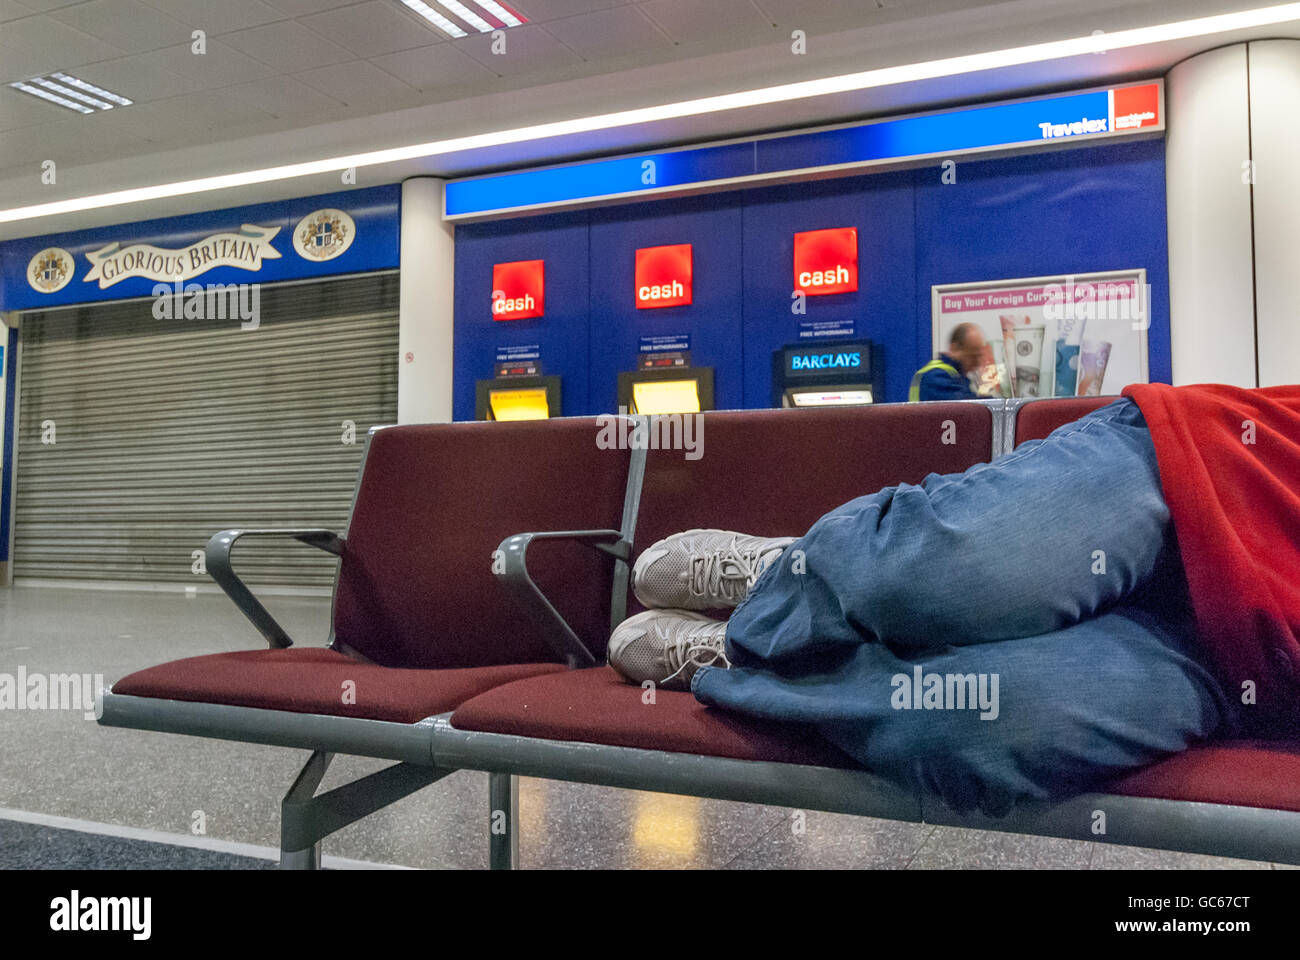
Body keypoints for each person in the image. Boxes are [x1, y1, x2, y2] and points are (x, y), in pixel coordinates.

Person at [606, 382, 1300, 817]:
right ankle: (785, 573)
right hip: (1215, 469)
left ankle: (739, 656)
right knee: (952, 577)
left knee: (971, 726)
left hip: (1250, 661)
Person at [908, 322, 985, 401]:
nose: (977, 363)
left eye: (979, 356)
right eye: (972, 356)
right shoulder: (935, 376)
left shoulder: (957, 377)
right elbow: (965, 407)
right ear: (954, 349)